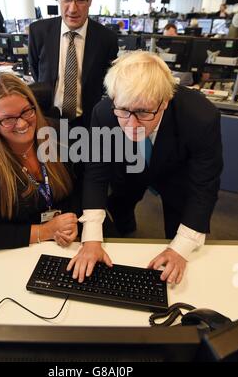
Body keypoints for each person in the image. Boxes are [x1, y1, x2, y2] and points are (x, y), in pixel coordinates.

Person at [67, 51, 223, 285]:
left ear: (164, 102)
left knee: (178, 221)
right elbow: (96, 172)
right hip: (128, 169)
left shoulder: (200, 117)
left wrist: (180, 248)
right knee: (121, 206)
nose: (131, 125)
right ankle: (126, 227)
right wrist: (91, 239)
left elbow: (204, 186)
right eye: (124, 111)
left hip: (176, 172)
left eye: (142, 112)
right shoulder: (104, 112)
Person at [0, 72, 78, 250]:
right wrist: (45, 231)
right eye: (8, 119)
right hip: (18, 250)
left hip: (68, 239)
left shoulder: (58, 134)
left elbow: (82, 188)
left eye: (26, 112)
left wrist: (74, 221)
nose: (21, 124)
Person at [28, 0, 119, 127]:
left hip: (88, 122)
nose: (72, 8)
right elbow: (36, 70)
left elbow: (107, 84)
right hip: (47, 119)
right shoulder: (38, 31)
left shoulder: (107, 39)